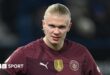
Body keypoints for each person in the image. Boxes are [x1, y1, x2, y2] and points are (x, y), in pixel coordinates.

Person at [0, 3, 102, 75]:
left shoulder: (81, 53)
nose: (56, 32)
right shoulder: (24, 53)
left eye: (61, 27)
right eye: (52, 26)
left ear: (69, 27)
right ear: (43, 24)